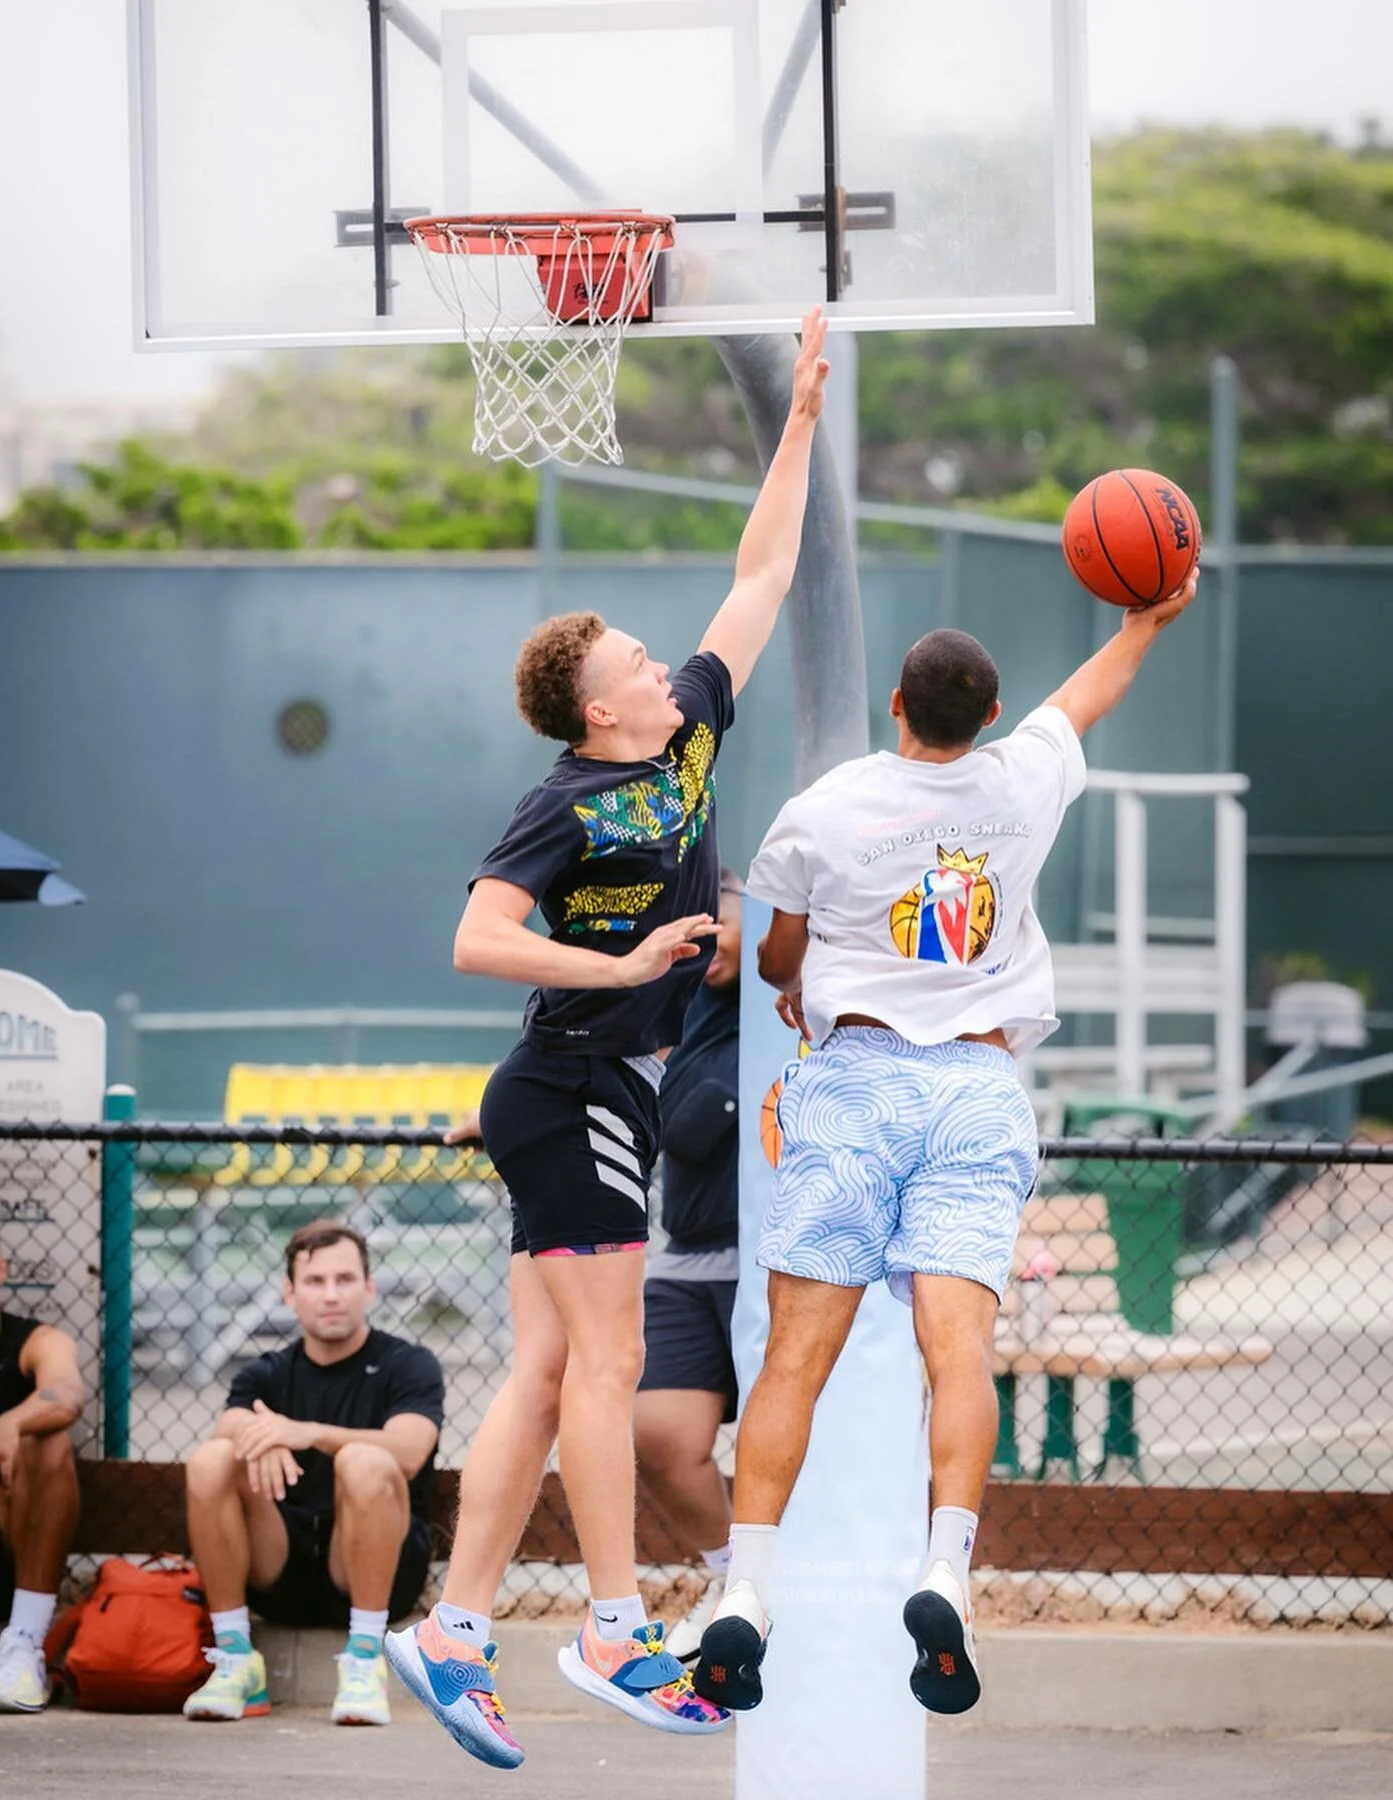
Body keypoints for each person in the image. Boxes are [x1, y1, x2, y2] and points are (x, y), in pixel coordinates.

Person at [386, 309, 829, 1771]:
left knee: (540, 1372)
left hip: (593, 1092)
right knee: (611, 1361)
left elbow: (761, 572)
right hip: (570, 1081)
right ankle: (613, 1620)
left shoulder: (689, 732)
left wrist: (803, 423)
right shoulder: (568, 797)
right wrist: (627, 955)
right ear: (599, 701)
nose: (663, 655)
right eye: (640, 654)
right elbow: (476, 938)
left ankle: (453, 1627)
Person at [692, 577, 1199, 1719]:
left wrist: (808, 974)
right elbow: (1089, 695)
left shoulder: (824, 808)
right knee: (958, 1355)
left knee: (791, 1362)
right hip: (976, 1084)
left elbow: (775, 962)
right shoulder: (1023, 781)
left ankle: (750, 1589)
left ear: (894, 706)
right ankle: (946, 1571)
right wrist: (1147, 621)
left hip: (857, 1079)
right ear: (991, 713)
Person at [182, 1220, 444, 1727]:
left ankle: (366, 1662)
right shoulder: (266, 1372)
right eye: (315, 1282)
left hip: (374, 1571)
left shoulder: (408, 1364)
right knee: (214, 1457)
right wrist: (256, 1438)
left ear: (368, 1288)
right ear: (290, 1293)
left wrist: (306, 1433)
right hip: (282, 1564)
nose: (331, 1295)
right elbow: (230, 1421)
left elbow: (409, 1450)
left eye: (345, 1280)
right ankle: (236, 1660)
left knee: (362, 1460)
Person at [634, 870, 743, 1666]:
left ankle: (805, 1592)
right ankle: (736, 1581)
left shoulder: (800, 998)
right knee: (661, 1436)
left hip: (785, 1264)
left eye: (719, 923)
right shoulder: (673, 1003)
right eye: (689, 931)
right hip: (686, 1257)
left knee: (806, 1448)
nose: (701, 944)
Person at [0, 1208, 85, 1714]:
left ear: (1, 1270)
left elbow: (67, 1394)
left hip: (4, 1543)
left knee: (46, 1439)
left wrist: (10, 1424)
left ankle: (25, 1645)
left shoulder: (36, 1341)